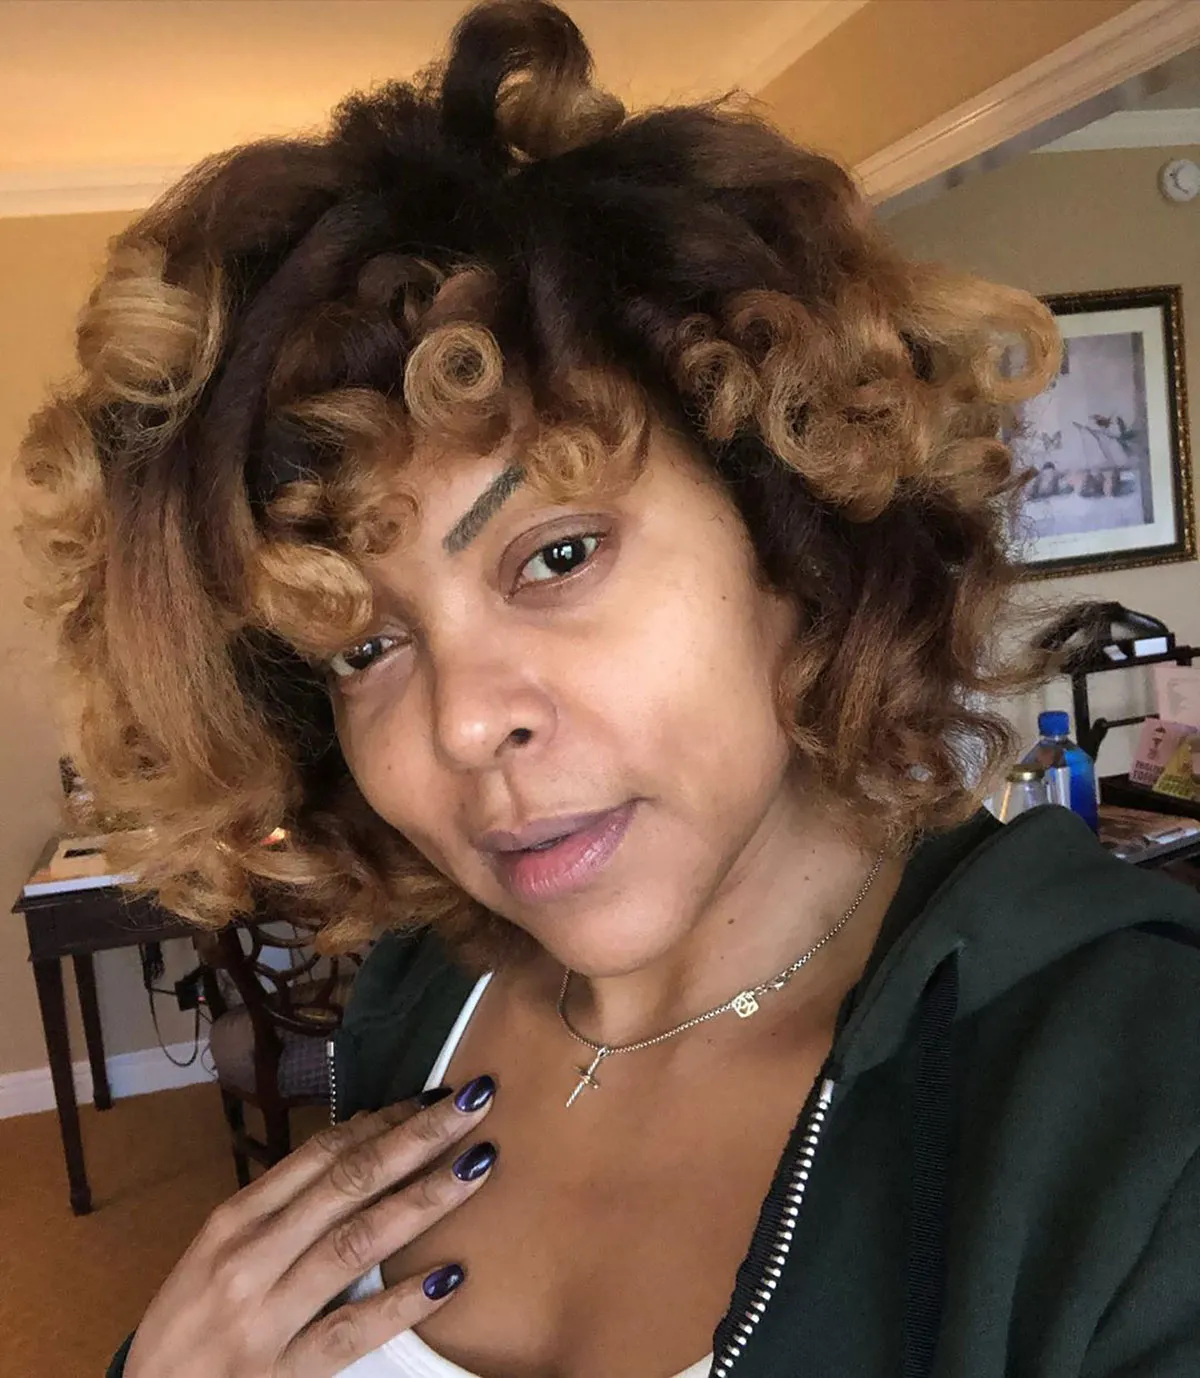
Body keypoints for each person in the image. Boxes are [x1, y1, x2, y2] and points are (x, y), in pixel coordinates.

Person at [17, 3, 1200, 1376]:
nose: (465, 724)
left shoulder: (1140, 1126)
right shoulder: (423, 992)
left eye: (558, 554)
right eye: (362, 646)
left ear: (792, 526)